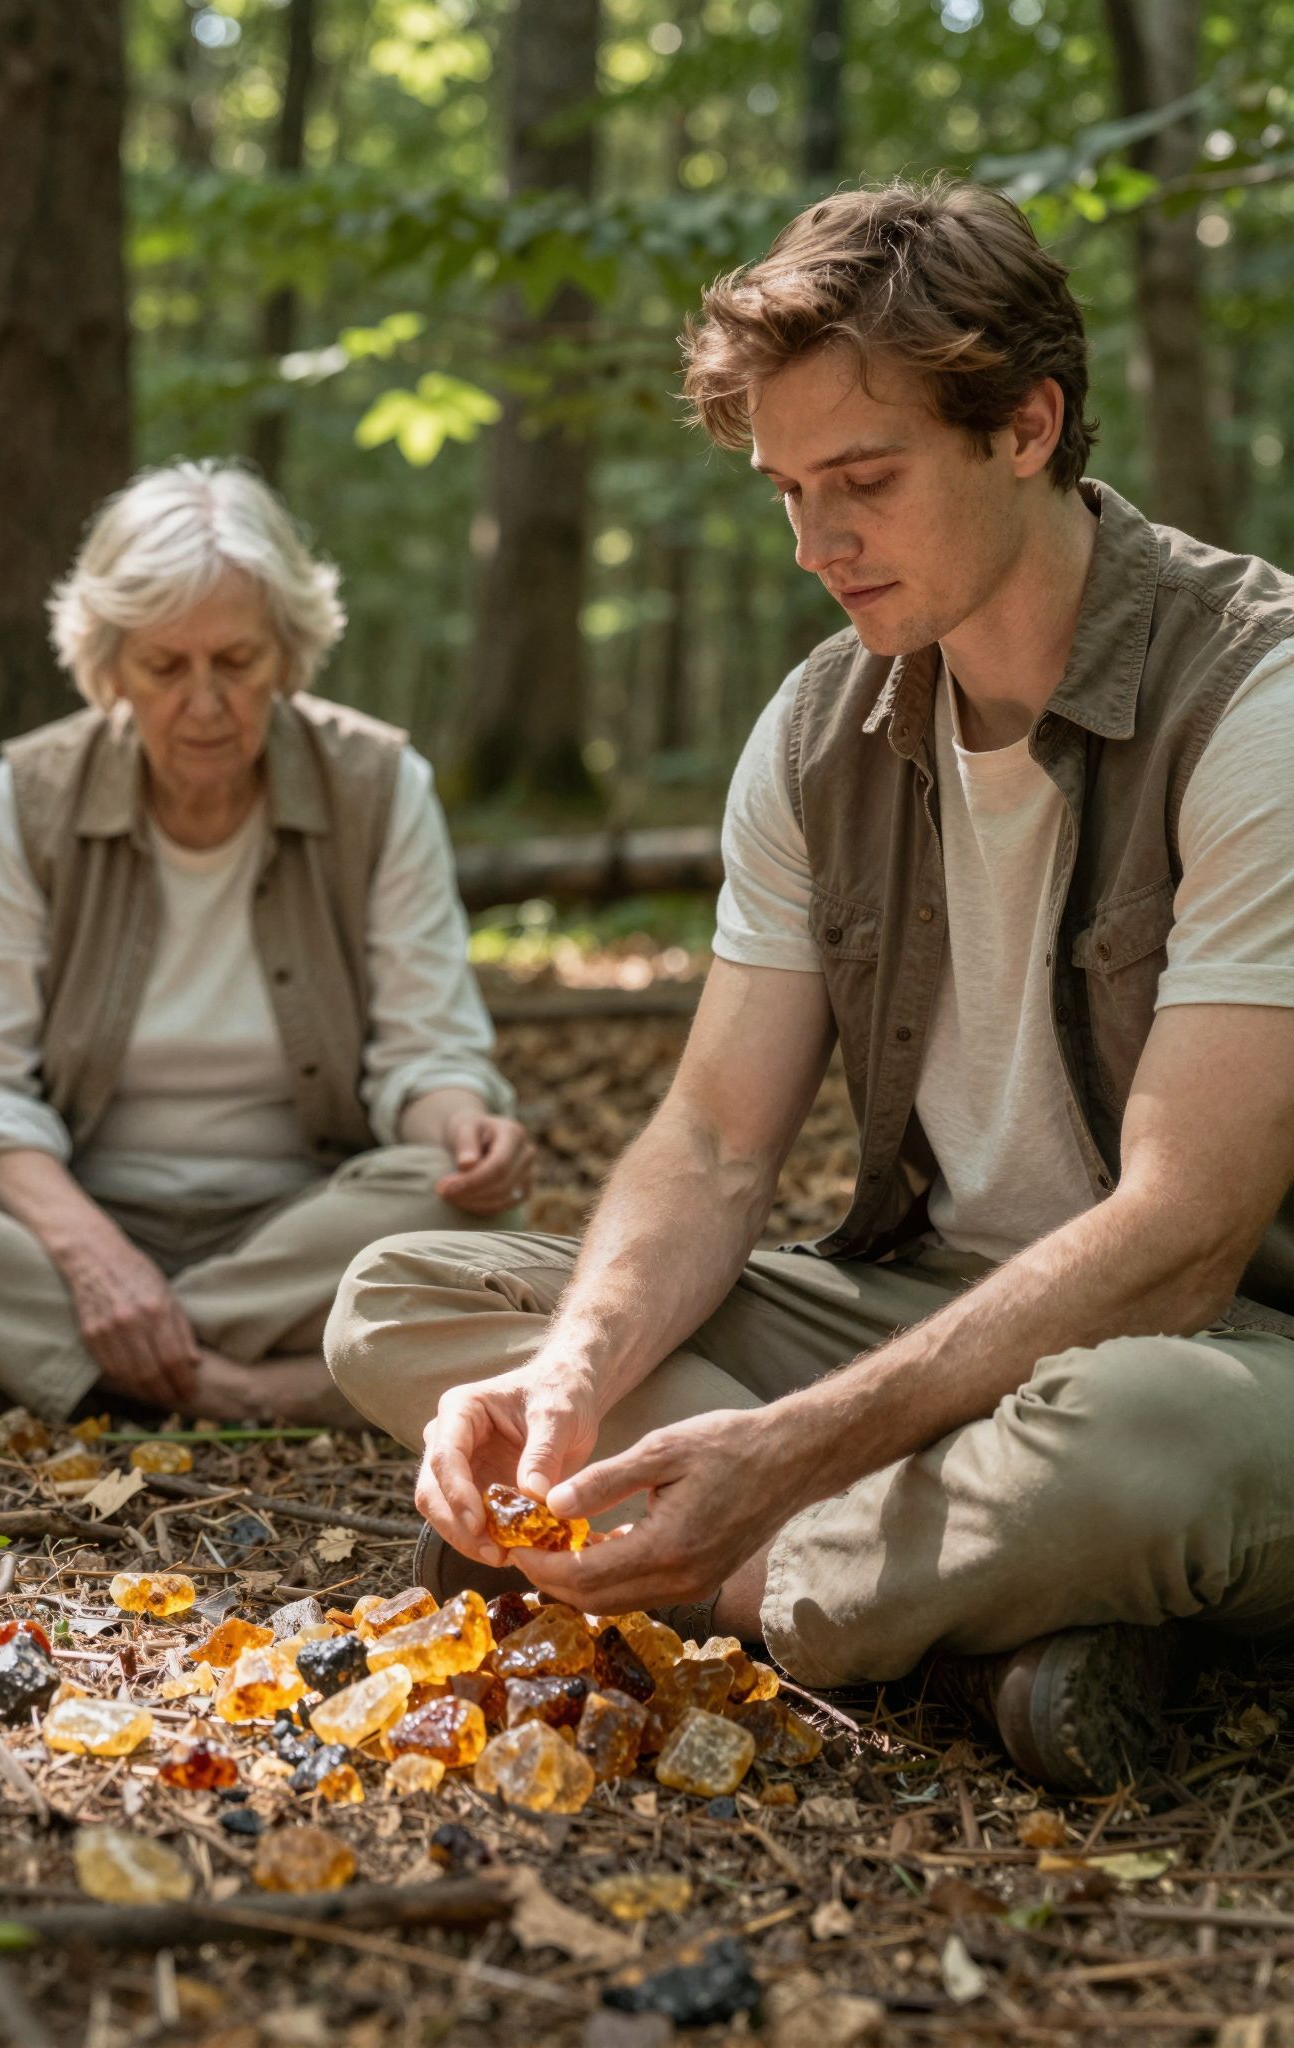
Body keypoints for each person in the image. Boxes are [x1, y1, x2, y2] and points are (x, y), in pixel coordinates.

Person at [324, 177, 1294, 1791]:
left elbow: (1187, 1227)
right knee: (412, 1295)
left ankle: (754, 1579)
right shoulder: (818, 728)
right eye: (785, 488)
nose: (816, 542)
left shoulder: (1255, 703)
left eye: (863, 479)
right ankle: (970, 1612)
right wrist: (573, 1379)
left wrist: (776, 1452)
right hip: (929, 1312)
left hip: (1218, 1346)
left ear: (1028, 424)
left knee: (1135, 1444)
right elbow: (710, 1142)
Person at [0, 461, 533, 1432]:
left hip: (300, 1217)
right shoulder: (27, 797)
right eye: (165, 667)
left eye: (238, 662)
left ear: (289, 652)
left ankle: (43, 1367)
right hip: (63, 1218)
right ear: (110, 666)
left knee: (470, 1210)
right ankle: (254, 1384)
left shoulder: (380, 785)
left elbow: (424, 1050)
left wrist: (464, 1126)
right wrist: (96, 1258)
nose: (206, 704)